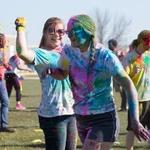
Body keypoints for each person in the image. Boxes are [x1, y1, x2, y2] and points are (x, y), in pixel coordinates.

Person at [45, 14, 149, 150]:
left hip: (104, 119)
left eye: (73, 30)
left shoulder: (105, 56)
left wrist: (135, 120)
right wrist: (52, 72)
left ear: (88, 32)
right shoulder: (68, 52)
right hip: (81, 118)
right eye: (68, 31)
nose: (69, 35)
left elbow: (129, 86)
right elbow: (63, 74)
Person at [14, 17, 77, 150]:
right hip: (53, 114)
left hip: (71, 110)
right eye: (51, 30)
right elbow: (22, 52)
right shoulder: (41, 54)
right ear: (44, 33)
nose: (56, 34)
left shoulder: (67, 51)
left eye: (60, 31)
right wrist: (20, 28)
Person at [124, 30, 150, 150]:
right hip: (136, 98)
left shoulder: (147, 56)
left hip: (148, 97)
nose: (148, 47)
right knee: (132, 128)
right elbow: (123, 77)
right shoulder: (130, 57)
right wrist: (132, 74)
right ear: (141, 41)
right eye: (147, 43)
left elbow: (147, 70)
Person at [0, 33, 15, 132]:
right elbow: (5, 62)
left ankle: (3, 125)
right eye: (5, 40)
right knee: (5, 101)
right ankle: (4, 126)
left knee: (4, 101)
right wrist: (8, 66)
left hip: (1, 79)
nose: (6, 41)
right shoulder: (2, 51)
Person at [108, 39, 128, 111]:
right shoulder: (108, 52)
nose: (109, 46)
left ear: (114, 45)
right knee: (114, 90)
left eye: (110, 44)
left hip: (119, 73)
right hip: (111, 74)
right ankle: (122, 105)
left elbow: (124, 61)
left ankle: (124, 105)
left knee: (123, 90)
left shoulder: (119, 52)